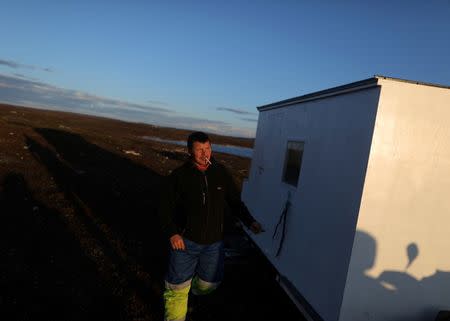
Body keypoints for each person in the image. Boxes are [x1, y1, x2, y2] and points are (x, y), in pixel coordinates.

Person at [158, 131, 263, 321]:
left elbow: (235, 202)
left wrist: (250, 221)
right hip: (185, 243)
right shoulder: (179, 176)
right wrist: (173, 233)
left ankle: (192, 294)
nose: (204, 153)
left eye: (207, 148)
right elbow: (164, 206)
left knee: (209, 284)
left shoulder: (220, 172)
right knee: (176, 289)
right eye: (199, 149)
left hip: (213, 244)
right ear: (190, 151)